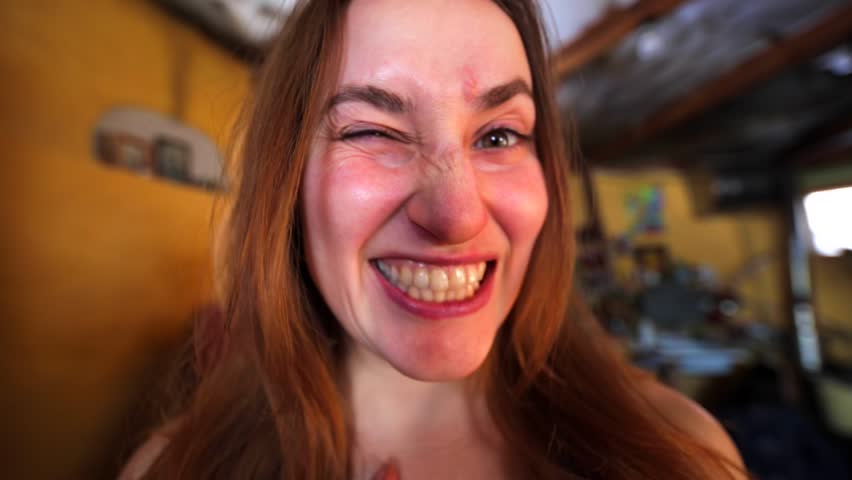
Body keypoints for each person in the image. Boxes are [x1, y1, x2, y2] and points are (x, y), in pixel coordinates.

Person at [120, 0, 745, 478]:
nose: (457, 214)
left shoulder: (681, 453)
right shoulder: (173, 467)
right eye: (373, 132)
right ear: (286, 184)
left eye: (499, 136)